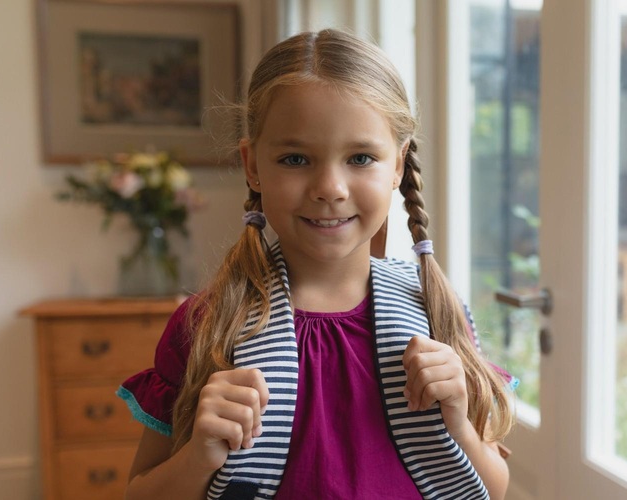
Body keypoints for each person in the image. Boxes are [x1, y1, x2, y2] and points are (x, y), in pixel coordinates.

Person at [117, 29, 515, 500]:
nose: (330, 187)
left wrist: (461, 424)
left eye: (361, 157)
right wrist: (200, 455)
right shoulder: (207, 325)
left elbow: (494, 487)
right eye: (295, 158)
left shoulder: (434, 313)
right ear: (252, 165)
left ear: (398, 166)